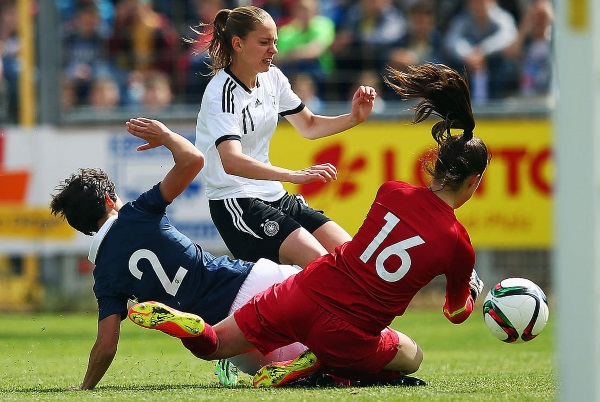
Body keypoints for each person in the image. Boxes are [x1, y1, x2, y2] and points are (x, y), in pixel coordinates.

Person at [127, 63, 489, 387]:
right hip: (349, 331)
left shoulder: (391, 192)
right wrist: (469, 289)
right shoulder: (457, 242)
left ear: (436, 164)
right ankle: (319, 363)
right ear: (473, 182)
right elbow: (455, 313)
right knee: (411, 357)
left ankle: (192, 324)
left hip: (302, 289)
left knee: (215, 345)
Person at [50, 117, 307, 390]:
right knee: (333, 316)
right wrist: (165, 135)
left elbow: (106, 346)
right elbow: (193, 159)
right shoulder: (137, 213)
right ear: (109, 200)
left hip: (230, 338)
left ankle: (208, 333)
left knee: (291, 364)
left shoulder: (103, 275)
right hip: (251, 283)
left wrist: (85, 386)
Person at [194, 6, 377, 268]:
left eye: (275, 42)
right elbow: (231, 161)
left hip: (274, 195)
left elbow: (309, 125)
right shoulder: (221, 94)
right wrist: (293, 175)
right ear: (238, 44)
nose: (274, 50)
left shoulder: (273, 77)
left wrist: (353, 118)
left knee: (355, 260)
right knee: (322, 266)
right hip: (235, 200)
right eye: (264, 42)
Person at [443, 0, 519, 103]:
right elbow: (451, 41)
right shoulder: (462, 19)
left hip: (495, 68)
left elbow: (509, 36)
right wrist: (469, 55)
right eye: (474, 2)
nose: (478, 5)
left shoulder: (502, 17)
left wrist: (482, 51)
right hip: (469, 66)